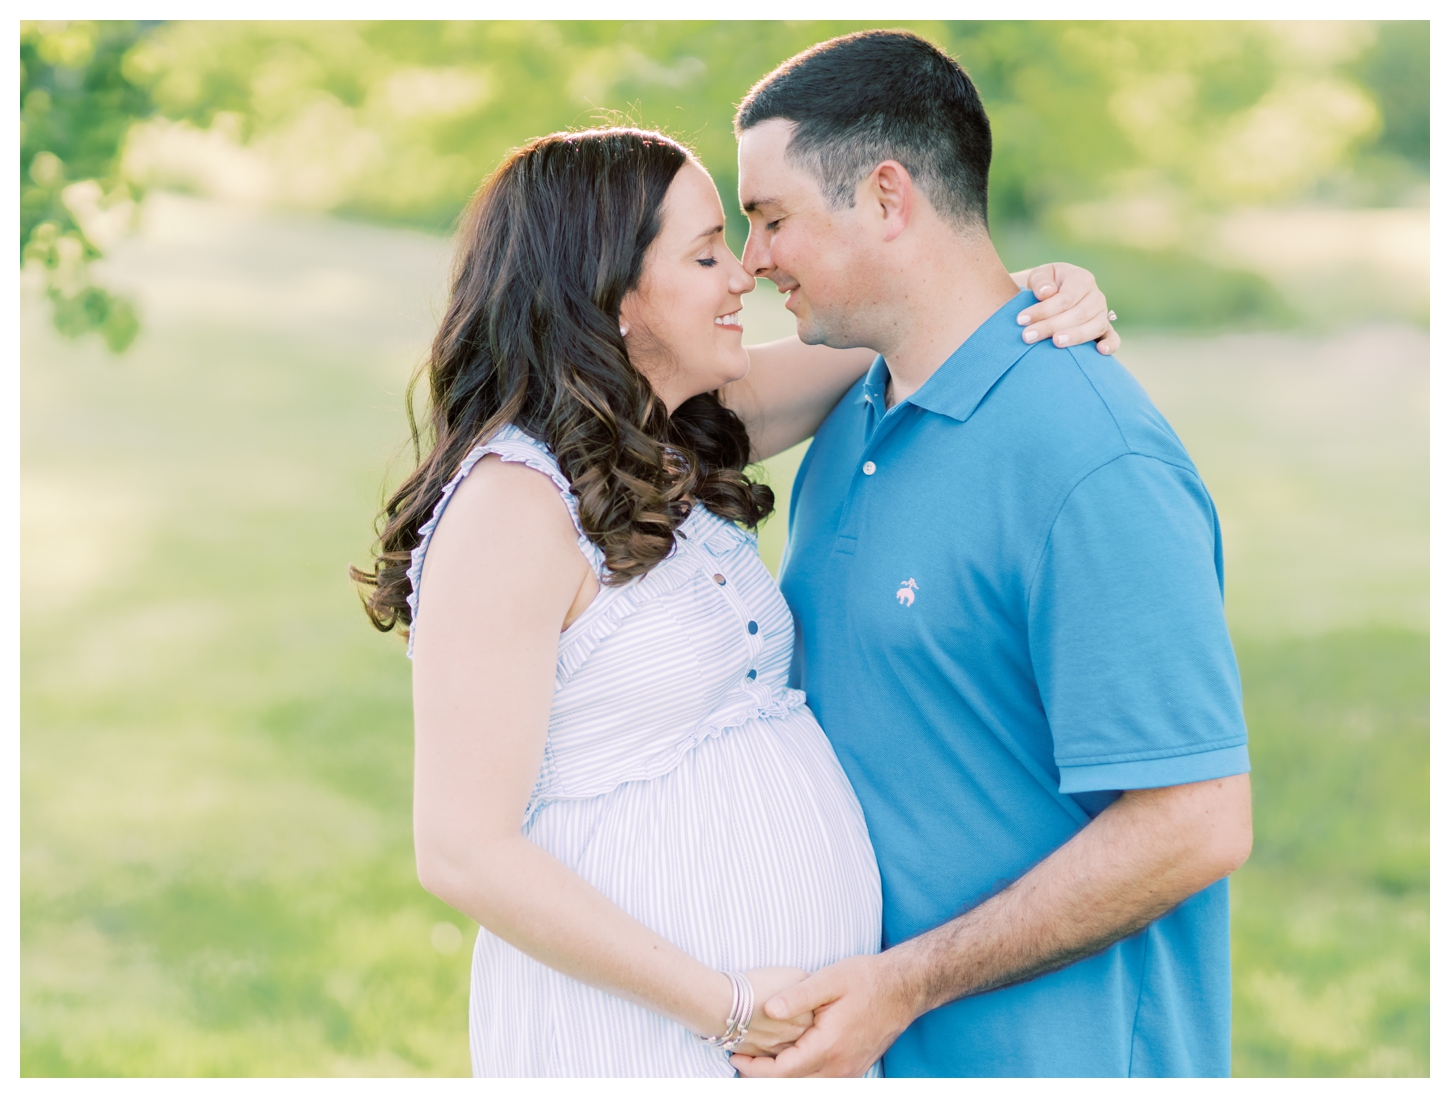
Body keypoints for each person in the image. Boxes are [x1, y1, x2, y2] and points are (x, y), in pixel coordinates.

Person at [352, 125, 1116, 1077]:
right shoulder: (514, 503)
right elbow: (463, 852)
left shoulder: (674, 435)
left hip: (776, 1038)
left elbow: (908, 334)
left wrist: (1036, 293)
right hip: (645, 1035)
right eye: (708, 251)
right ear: (611, 292)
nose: (742, 275)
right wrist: (727, 1008)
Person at [725, 30, 1254, 1079]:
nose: (752, 260)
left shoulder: (1091, 461)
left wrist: (905, 983)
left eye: (770, 218)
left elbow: (1195, 823)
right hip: (871, 1054)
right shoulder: (859, 409)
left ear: (885, 197)